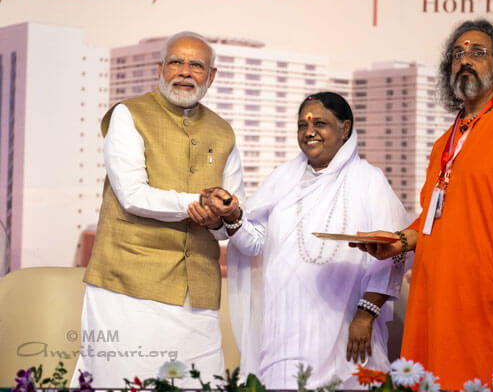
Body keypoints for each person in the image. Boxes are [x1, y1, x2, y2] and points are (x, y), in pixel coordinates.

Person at [351, 20, 493, 390]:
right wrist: (397, 241)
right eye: (457, 54)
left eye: (478, 52)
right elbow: (434, 215)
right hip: (439, 292)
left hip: (492, 293)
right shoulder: (446, 140)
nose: (466, 60)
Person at [189, 92, 411, 389]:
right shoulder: (283, 179)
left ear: (345, 129)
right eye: (302, 125)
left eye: (320, 123)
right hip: (283, 323)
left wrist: (366, 314)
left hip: (343, 324)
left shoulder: (368, 180)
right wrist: (232, 216)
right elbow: (254, 243)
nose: (309, 132)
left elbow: (395, 252)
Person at [71, 31, 245, 386]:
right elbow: (132, 194)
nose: (184, 71)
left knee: (199, 382)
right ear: (159, 68)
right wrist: (196, 203)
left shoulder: (223, 132)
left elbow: (228, 222)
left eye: (196, 65)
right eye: (175, 62)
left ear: (211, 76)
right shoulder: (128, 114)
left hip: (197, 289)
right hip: (128, 283)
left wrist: (223, 215)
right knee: (121, 380)